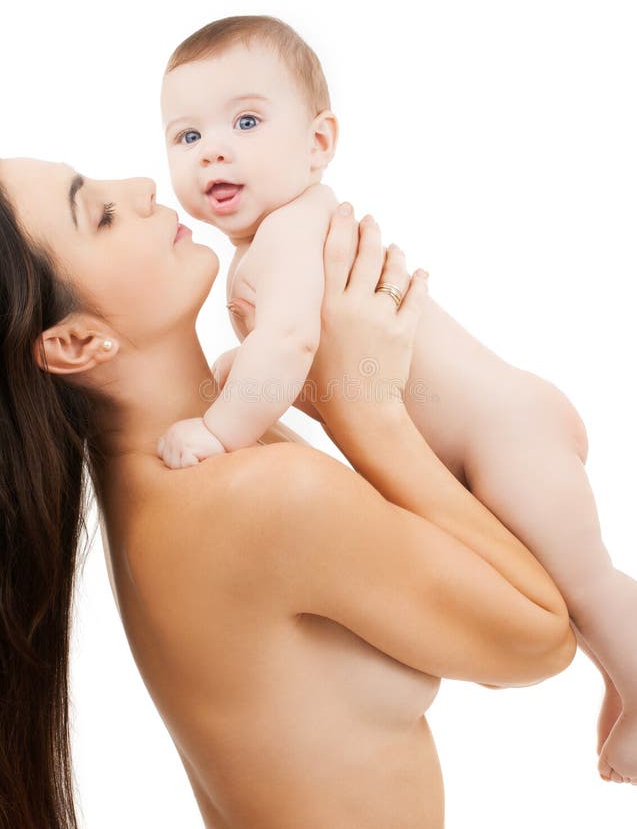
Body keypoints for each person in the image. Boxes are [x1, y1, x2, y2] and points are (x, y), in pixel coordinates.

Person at [0, 156, 575, 827]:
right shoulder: (252, 496)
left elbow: (477, 634)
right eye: (100, 215)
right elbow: (539, 642)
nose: (141, 187)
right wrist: (368, 414)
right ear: (76, 342)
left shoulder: (179, 473)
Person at [158, 14, 637, 784]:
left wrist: (219, 431)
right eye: (186, 136)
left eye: (245, 122)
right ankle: (621, 679)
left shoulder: (287, 234)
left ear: (318, 142)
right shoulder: (289, 233)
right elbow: (294, 359)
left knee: (583, 588)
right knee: (565, 589)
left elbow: (290, 346)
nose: (212, 149)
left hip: (504, 440)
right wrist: (232, 368)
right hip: (499, 431)